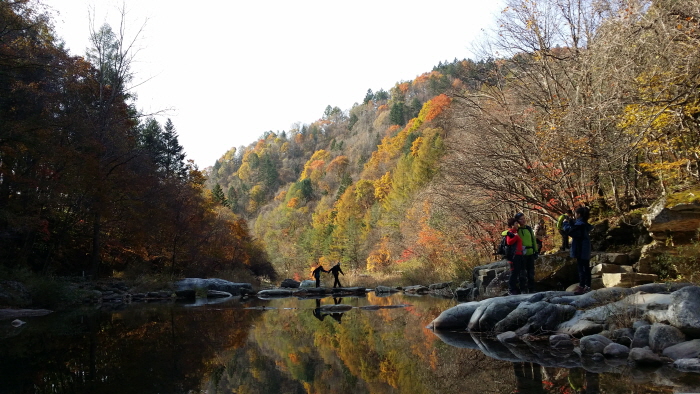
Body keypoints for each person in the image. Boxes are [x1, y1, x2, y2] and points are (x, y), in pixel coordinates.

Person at [563, 206, 593, 295]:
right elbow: (575, 226)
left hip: (580, 248)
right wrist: (571, 221)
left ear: (579, 215)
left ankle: (582, 286)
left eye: (575, 213)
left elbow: (571, 231)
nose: (574, 215)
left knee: (581, 268)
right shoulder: (584, 223)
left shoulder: (580, 224)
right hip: (585, 247)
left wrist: (565, 224)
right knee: (586, 267)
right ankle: (587, 286)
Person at [514, 212, 538, 293]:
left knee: (531, 272)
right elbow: (506, 233)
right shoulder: (516, 230)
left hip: (530, 253)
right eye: (521, 219)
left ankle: (532, 288)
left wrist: (536, 251)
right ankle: (523, 289)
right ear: (517, 221)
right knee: (522, 273)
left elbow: (533, 240)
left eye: (524, 218)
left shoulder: (528, 228)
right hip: (521, 254)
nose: (523, 220)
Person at [504, 217, 526, 295]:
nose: (517, 224)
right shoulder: (511, 232)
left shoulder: (516, 232)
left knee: (521, 272)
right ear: (512, 225)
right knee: (514, 273)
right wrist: (516, 236)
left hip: (520, 254)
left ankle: (520, 289)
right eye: (516, 223)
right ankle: (511, 289)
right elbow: (509, 242)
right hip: (514, 256)